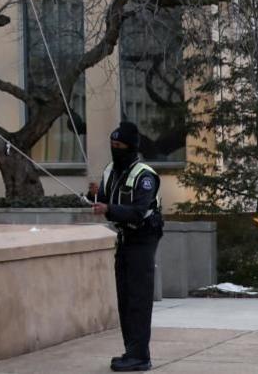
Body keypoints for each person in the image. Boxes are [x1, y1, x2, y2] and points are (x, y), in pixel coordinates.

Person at [89, 122, 163, 372]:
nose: (114, 150)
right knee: (125, 298)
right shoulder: (111, 170)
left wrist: (109, 209)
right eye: (112, 145)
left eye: (119, 146)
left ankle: (141, 356)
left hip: (143, 240)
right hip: (123, 240)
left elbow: (138, 211)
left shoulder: (145, 176)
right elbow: (104, 200)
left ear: (131, 148)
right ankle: (131, 351)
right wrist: (94, 197)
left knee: (139, 299)